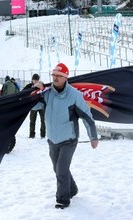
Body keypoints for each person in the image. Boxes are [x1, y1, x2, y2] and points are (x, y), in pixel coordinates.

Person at [33, 63, 98, 209]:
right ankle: (72, 189)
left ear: (65, 78)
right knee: (58, 168)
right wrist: (35, 90)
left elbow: (87, 116)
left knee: (61, 169)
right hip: (52, 139)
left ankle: (62, 200)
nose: (55, 78)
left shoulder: (74, 95)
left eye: (59, 76)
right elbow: (34, 106)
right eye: (53, 75)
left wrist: (93, 137)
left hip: (69, 139)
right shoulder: (47, 93)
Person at [24, 73, 45, 138]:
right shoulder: (29, 86)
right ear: (32, 80)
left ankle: (43, 135)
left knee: (43, 121)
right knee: (32, 122)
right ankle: (32, 135)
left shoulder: (42, 85)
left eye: (36, 80)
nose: (35, 81)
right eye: (34, 80)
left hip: (41, 106)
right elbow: (23, 92)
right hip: (33, 107)